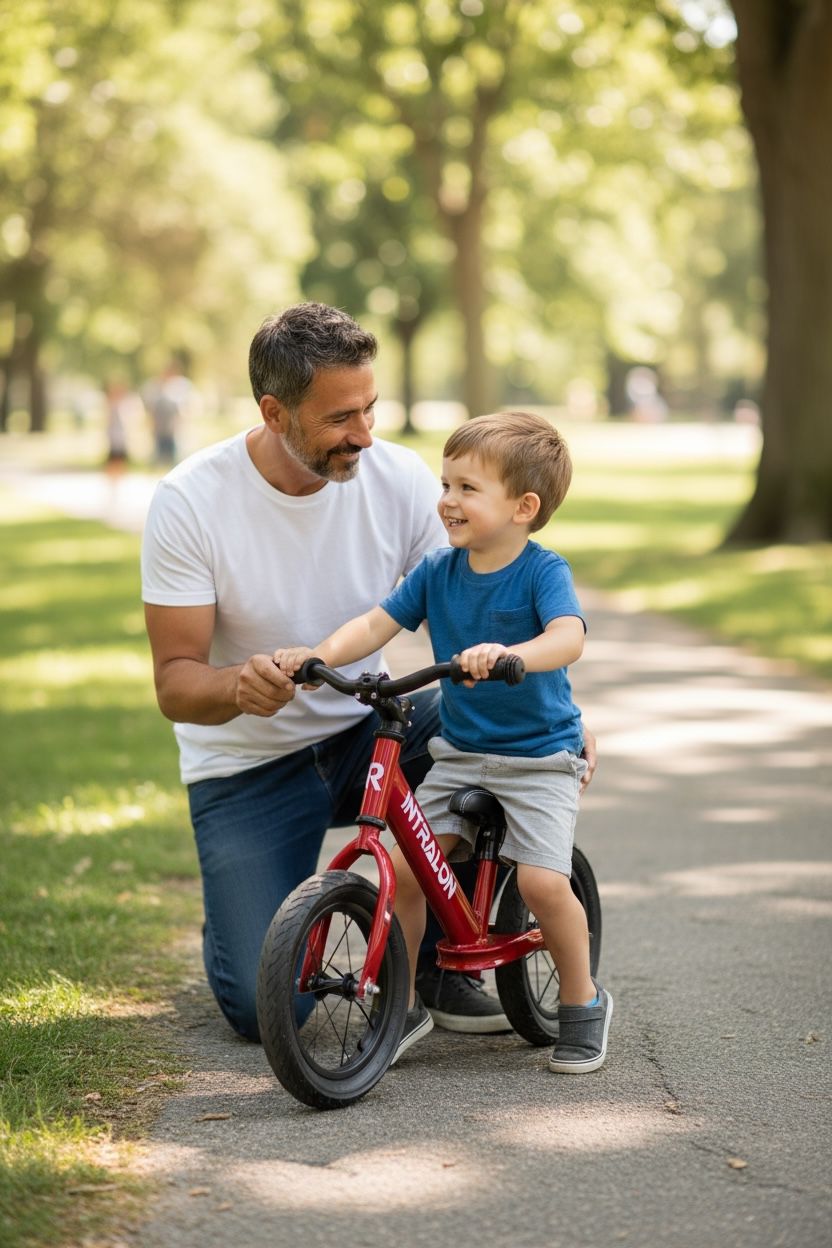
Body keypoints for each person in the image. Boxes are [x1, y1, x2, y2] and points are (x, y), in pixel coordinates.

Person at [141, 303, 597, 1046]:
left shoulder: (398, 478)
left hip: (368, 725)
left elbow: (485, 597)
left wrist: (558, 712)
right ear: (273, 410)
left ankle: (446, 962)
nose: (365, 432)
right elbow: (175, 685)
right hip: (251, 764)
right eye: (341, 417)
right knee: (265, 1012)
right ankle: (250, 908)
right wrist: (238, 687)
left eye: (371, 407)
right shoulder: (192, 502)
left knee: (493, 724)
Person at [276, 411, 612, 1073]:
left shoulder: (543, 571)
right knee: (401, 871)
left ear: (524, 507)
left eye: (467, 488)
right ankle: (400, 1006)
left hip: (539, 757)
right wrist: (316, 657)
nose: (447, 501)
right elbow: (377, 622)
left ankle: (583, 1003)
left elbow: (568, 636)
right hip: (461, 754)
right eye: (445, 484)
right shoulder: (439, 570)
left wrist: (510, 652)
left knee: (544, 884)